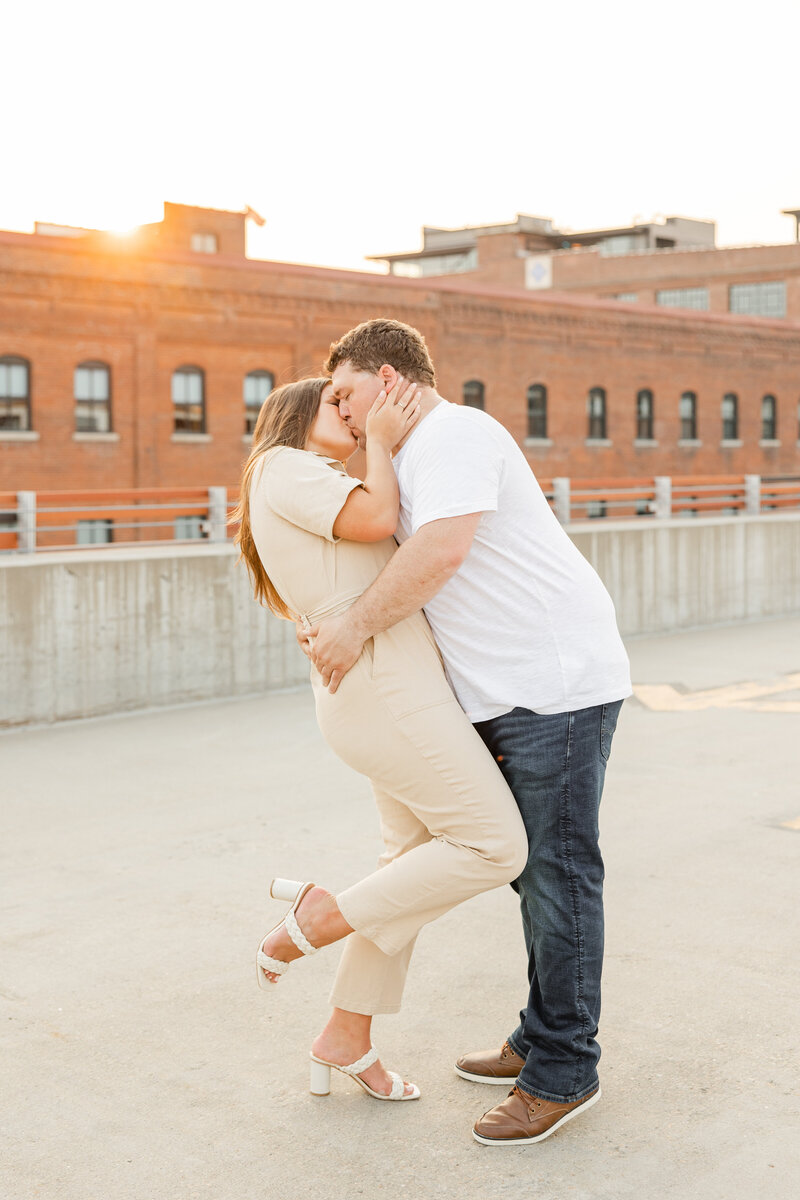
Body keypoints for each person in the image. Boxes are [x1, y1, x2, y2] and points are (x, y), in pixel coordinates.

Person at [302, 318, 632, 1146]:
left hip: (553, 686)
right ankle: (540, 1036)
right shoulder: (402, 457)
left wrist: (352, 632)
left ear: (388, 378)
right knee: (533, 878)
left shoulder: (454, 434)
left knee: (557, 877)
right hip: (506, 694)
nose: (339, 411)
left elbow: (442, 552)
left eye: (345, 392)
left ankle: (565, 1071)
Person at [232, 375, 527, 1104]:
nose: (351, 413)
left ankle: (346, 1034)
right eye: (334, 403)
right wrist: (386, 445)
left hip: (385, 679)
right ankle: (317, 917)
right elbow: (375, 519)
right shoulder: (283, 464)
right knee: (495, 845)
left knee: (408, 862)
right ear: (295, 415)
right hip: (383, 683)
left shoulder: (307, 477)